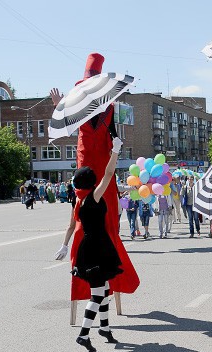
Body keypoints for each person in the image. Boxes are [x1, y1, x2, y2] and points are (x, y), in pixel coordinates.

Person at [51, 52, 139, 303]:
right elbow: (63, 125)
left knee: (108, 215)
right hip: (86, 160)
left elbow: (112, 134)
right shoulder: (75, 106)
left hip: (103, 158)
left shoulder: (108, 108)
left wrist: (116, 145)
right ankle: (89, 278)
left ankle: (112, 277)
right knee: (84, 211)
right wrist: (57, 105)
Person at [70, 136, 123, 352]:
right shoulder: (93, 197)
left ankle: (105, 328)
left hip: (93, 249)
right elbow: (109, 175)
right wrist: (115, 152)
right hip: (95, 251)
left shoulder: (80, 199)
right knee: (98, 294)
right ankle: (83, 334)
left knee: (105, 288)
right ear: (92, 182)